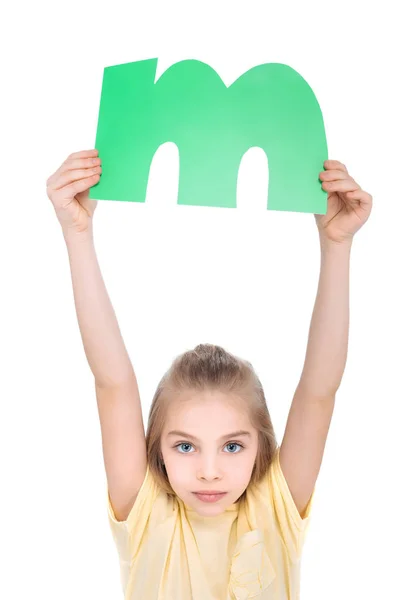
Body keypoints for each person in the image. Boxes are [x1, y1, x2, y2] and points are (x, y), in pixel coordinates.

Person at [46, 150, 373, 599]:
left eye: (233, 446)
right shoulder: (145, 515)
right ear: (156, 449)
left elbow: (320, 390)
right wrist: (77, 234)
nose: (209, 472)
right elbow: (112, 380)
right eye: (184, 446)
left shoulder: (274, 508)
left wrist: (337, 246)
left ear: (262, 446)